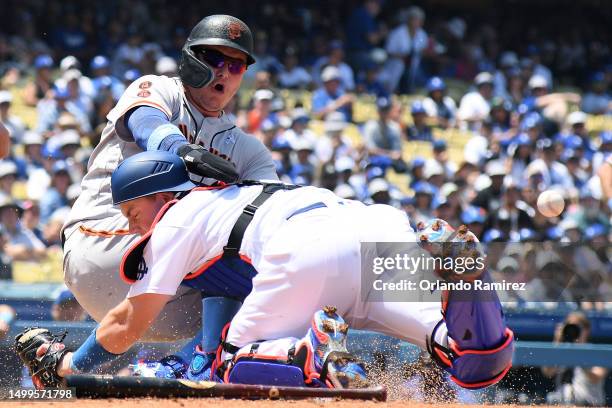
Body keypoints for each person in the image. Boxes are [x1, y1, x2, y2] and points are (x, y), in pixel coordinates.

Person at [18, 150, 513, 391]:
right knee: (472, 364)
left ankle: (310, 354)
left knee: (229, 372)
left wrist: (72, 367)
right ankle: (469, 279)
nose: (133, 226)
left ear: (157, 195)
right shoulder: (239, 197)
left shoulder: (178, 216)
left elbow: (128, 324)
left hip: (305, 251)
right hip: (374, 225)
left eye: (133, 213)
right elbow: (222, 292)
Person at [61, 14, 278, 345]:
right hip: (104, 242)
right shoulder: (163, 90)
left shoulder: (249, 151)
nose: (223, 70)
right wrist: (180, 149)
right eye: (214, 57)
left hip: (172, 296)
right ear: (190, 58)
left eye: (235, 65)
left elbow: (274, 213)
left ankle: (191, 366)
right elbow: (146, 121)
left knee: (269, 266)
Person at [542, 312, 608, 406]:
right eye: (570, 326)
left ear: (587, 330)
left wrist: (579, 352)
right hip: (562, 403)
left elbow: (595, 377)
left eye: (577, 327)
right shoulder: (561, 350)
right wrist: (557, 342)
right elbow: (547, 372)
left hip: (590, 404)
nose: (573, 331)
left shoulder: (597, 351)